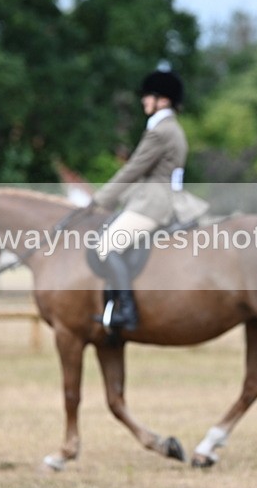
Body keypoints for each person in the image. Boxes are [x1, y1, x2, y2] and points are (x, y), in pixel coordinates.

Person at [88, 69, 205, 331]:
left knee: (107, 246)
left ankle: (127, 312)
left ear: (163, 100)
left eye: (148, 96)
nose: (143, 101)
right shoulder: (170, 128)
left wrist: (101, 198)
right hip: (162, 197)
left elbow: (133, 169)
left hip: (154, 202)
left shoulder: (161, 131)